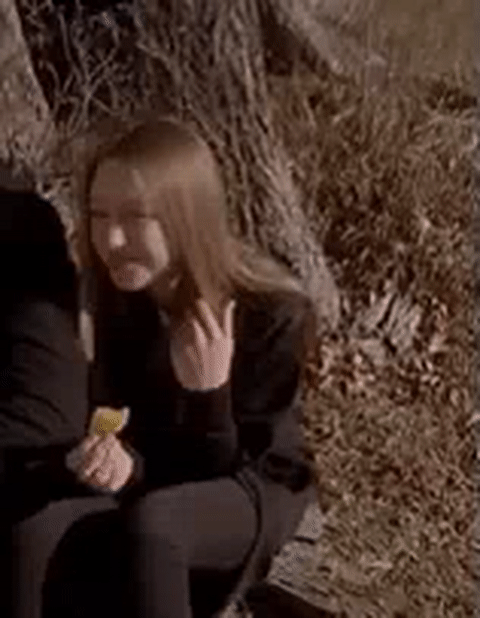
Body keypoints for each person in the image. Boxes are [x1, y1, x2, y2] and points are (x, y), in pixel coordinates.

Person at [2, 116, 318, 618]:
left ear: (185, 219)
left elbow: (234, 465)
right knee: (35, 525)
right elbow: (133, 431)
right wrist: (115, 456)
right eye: (99, 216)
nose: (112, 239)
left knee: (157, 525)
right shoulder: (116, 298)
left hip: (253, 483)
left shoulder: (270, 313)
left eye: (135, 218)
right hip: (160, 475)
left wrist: (209, 396)